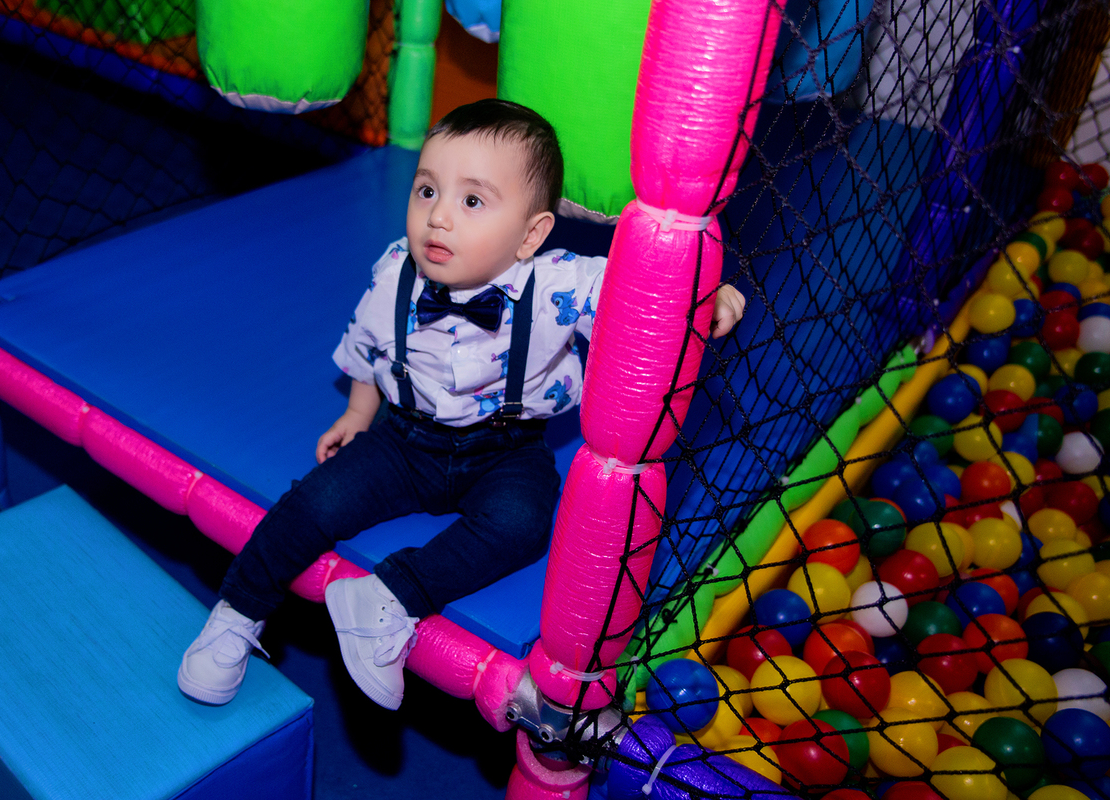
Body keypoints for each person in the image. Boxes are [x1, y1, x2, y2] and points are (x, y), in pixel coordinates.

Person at [178, 99, 746, 710]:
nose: (438, 217)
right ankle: (236, 615)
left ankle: (387, 599)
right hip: (405, 441)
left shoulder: (556, 281)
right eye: (427, 191)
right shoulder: (396, 268)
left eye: (471, 201)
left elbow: (638, 287)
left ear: (531, 234)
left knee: (524, 524)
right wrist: (357, 414)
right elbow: (369, 343)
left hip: (506, 448)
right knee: (312, 501)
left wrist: (702, 297)